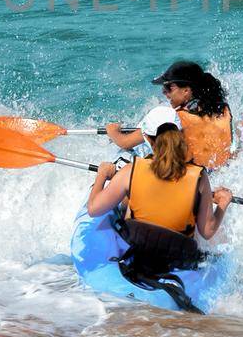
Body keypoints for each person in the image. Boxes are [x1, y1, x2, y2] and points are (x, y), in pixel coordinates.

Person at [87, 105, 232, 306]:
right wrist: (222, 204)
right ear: (180, 134)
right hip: (177, 256)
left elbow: (94, 209)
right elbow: (207, 230)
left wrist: (102, 176)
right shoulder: (199, 176)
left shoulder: (131, 170)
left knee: (126, 203)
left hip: (138, 247)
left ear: (147, 138)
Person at [105, 60, 236, 169]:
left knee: (130, 150)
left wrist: (112, 131)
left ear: (186, 90)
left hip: (191, 180)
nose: (163, 92)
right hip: (215, 175)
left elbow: (124, 142)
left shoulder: (176, 117)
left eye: (168, 88)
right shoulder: (224, 110)